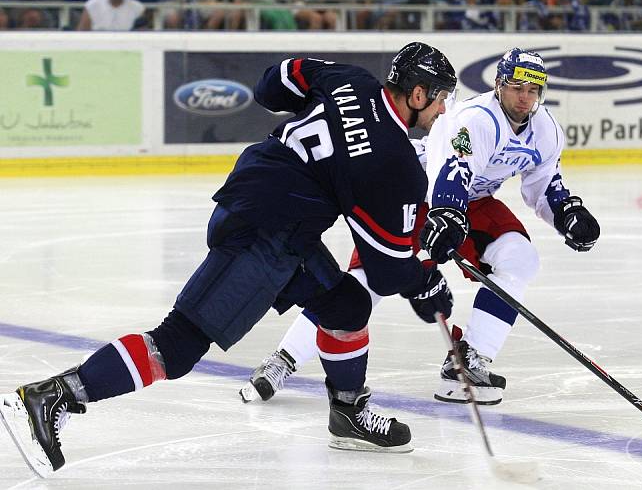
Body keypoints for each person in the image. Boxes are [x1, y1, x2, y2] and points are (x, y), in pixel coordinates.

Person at [0, 42, 458, 477]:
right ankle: (54, 395)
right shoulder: (396, 164)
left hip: (256, 202)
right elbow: (387, 269)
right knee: (175, 347)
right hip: (268, 234)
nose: (442, 112)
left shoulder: (350, 79)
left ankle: (348, 411)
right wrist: (429, 275)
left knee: (347, 307)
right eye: (440, 100)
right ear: (418, 93)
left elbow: (273, 84)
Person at [240, 48, 600, 407]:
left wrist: (566, 215)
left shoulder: (545, 129)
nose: (525, 98)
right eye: (518, 87)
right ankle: (283, 359)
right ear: (500, 85)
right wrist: (446, 215)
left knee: (520, 258)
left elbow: (543, 184)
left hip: (471, 203)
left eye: (533, 91)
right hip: (419, 191)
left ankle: (467, 362)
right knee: (369, 283)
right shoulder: (476, 119)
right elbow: (451, 172)